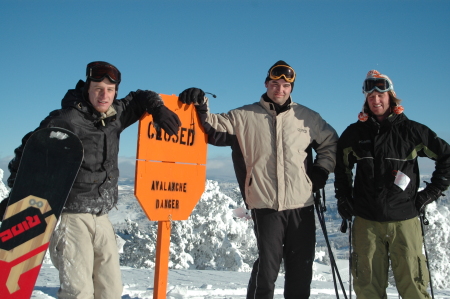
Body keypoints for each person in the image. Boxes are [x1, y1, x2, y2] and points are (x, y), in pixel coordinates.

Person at [0, 61, 181, 299]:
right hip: (71, 216)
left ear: (115, 91)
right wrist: (18, 196)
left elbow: (140, 97)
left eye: (109, 89)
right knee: (79, 292)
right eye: (98, 88)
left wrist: (157, 108)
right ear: (88, 88)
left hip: (101, 214)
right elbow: (28, 151)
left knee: (111, 291)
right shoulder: (67, 119)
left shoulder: (116, 115)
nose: (104, 95)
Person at [178, 60, 338, 299]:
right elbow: (211, 128)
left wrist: (320, 172)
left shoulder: (308, 118)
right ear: (266, 84)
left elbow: (330, 143)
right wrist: (200, 102)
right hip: (265, 207)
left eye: (285, 85)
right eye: (275, 83)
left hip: (301, 206)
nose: (279, 89)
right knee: (267, 271)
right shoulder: (244, 116)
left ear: (292, 88)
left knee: (301, 271)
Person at [334, 70, 450, 299]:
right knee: (367, 289)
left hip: (404, 222)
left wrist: (430, 193)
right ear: (365, 100)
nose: (375, 100)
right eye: (370, 96)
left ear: (391, 96)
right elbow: (342, 167)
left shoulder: (412, 131)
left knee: (413, 288)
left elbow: (446, 157)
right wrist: (343, 197)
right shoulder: (355, 133)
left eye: (381, 94)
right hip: (366, 222)